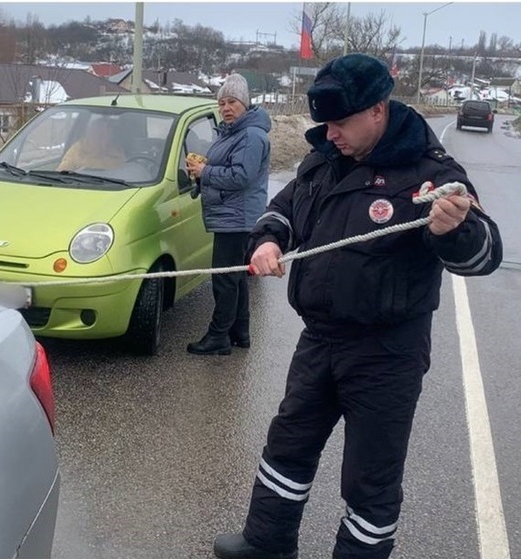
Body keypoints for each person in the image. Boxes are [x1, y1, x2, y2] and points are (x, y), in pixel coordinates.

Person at [213, 53, 503, 559]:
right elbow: (285, 209)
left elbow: (485, 256)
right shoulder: (325, 156)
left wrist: (457, 231)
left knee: (370, 478)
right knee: (288, 447)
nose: (330, 134)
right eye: (325, 123)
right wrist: (267, 240)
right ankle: (267, 542)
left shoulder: (430, 173)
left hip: (386, 353)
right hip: (320, 339)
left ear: (377, 109)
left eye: (341, 122)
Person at [185, 73, 271, 356]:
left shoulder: (250, 135)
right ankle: (239, 332)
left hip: (237, 217)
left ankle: (218, 336)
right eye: (222, 103)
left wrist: (205, 172)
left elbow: (241, 176)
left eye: (232, 102)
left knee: (223, 277)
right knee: (234, 276)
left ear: (245, 103)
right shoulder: (235, 132)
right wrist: (204, 170)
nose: (226, 108)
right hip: (232, 214)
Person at [57, 118, 125, 171]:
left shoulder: (115, 153)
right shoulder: (79, 148)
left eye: (107, 132)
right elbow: (62, 172)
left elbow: (115, 174)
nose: (104, 136)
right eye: (98, 132)